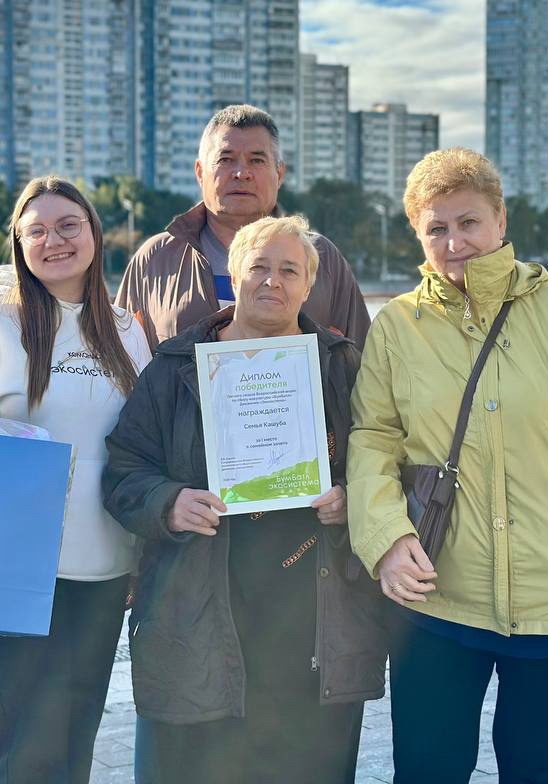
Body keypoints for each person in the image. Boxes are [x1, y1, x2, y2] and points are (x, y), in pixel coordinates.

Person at [347, 147, 548, 784]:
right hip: (439, 598)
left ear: (499, 219)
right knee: (427, 771)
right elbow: (373, 442)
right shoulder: (398, 327)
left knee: (538, 770)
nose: (454, 242)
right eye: (436, 228)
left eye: (468, 222)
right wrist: (384, 537)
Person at [103, 214, 387, 784]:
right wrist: (168, 502)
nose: (272, 281)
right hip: (205, 605)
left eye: (290, 270)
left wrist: (351, 499)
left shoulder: (340, 363)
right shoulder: (176, 367)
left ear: (309, 285)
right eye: (259, 267)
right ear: (233, 276)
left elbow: (383, 461)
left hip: (314, 610)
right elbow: (123, 471)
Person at [0, 176, 152, 783]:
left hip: (105, 567)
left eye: (69, 225)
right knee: (25, 744)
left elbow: (140, 447)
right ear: (18, 243)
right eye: (36, 230)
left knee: (76, 735)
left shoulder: (126, 330)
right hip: (14, 567)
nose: (54, 240)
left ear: (94, 232)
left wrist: (140, 553)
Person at [115, 103, 369, 349]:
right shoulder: (155, 260)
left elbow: (361, 361)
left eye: (256, 160)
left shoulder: (323, 258)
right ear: (200, 172)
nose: (241, 173)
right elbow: (120, 361)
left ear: (280, 174)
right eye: (226, 159)